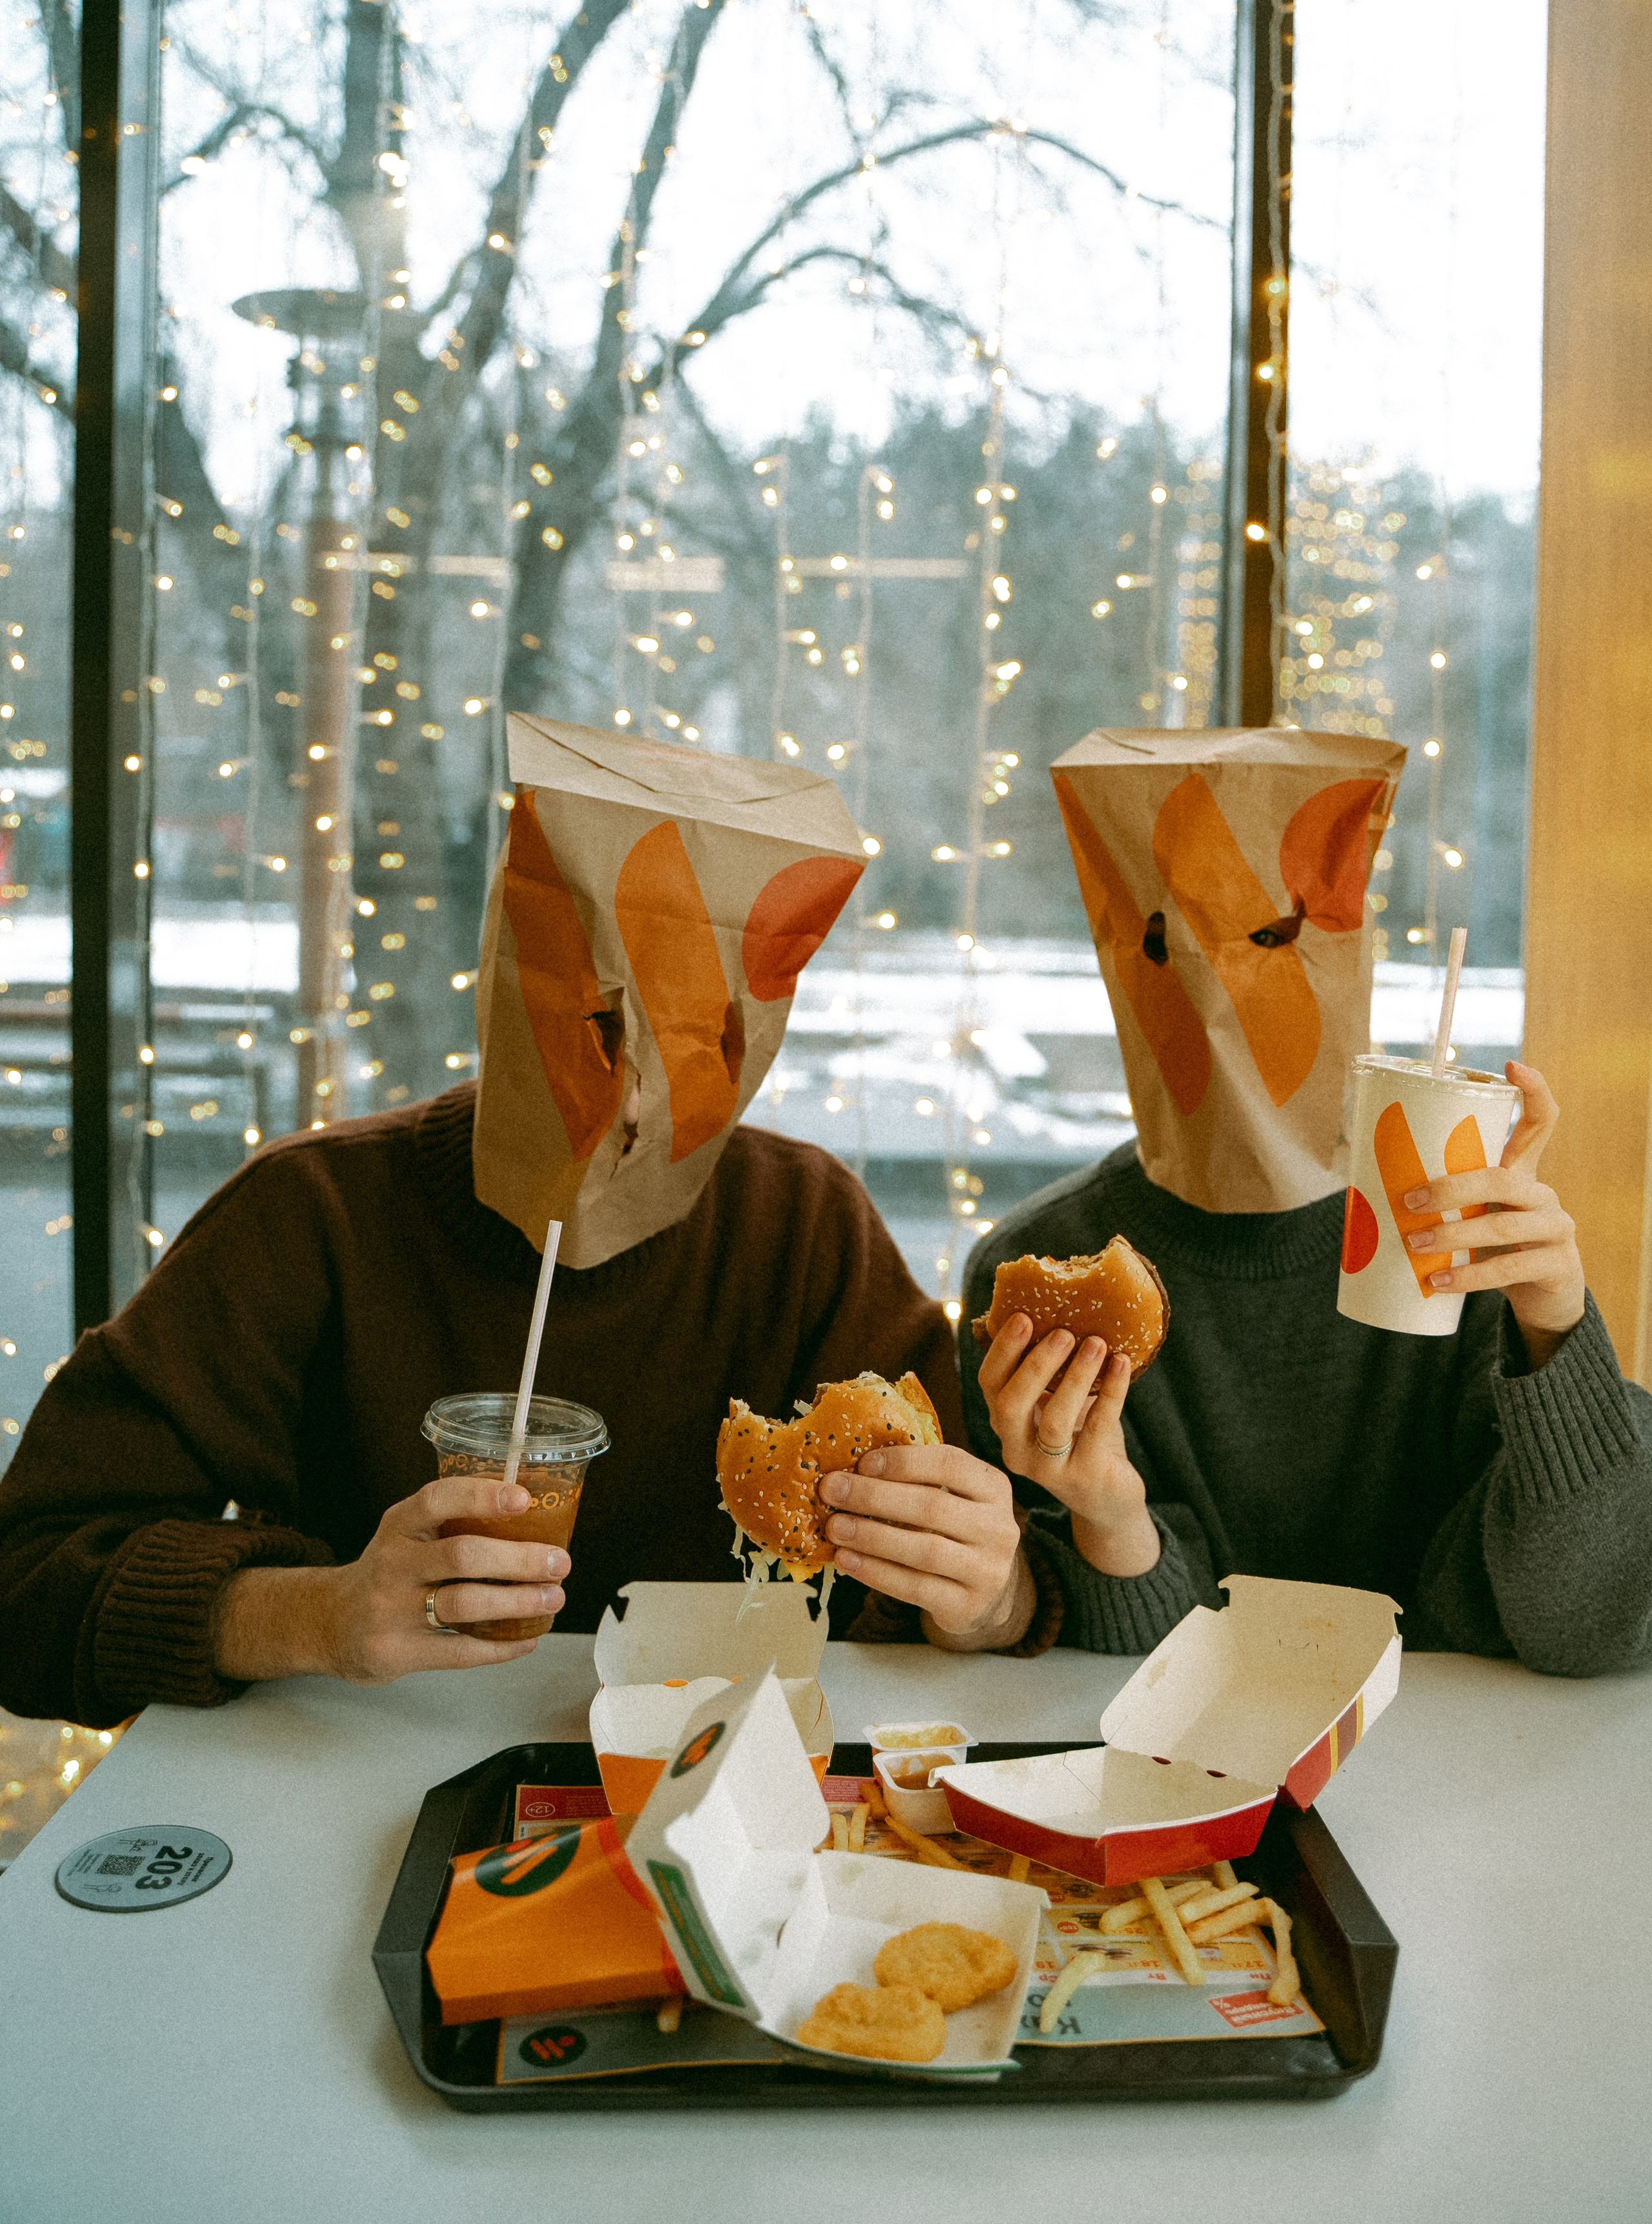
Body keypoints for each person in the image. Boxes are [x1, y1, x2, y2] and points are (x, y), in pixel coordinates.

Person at [0, 721, 1027, 1726]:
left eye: (703, 1041)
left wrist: (980, 1595)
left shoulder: (806, 1232)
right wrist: (316, 1614)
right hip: (355, 1782)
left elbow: (941, 1628)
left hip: (737, 1786)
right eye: (593, 1026)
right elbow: (23, 1586)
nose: (634, 1103)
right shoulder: (313, 1216)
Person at [898, 727, 1652, 1676]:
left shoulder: (1472, 1252)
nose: (1213, 983)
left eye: (1270, 937)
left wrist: (1555, 1332)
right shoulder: (1042, 1271)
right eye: (1161, 943)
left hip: (1459, 1787)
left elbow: (1593, 1624)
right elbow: (1111, 1674)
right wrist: (1110, 1514)